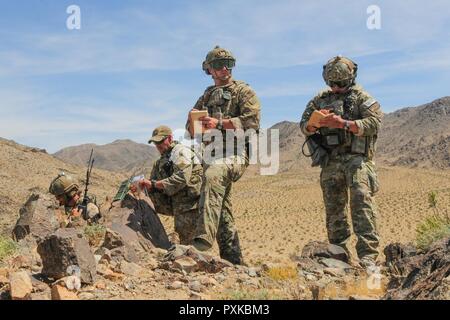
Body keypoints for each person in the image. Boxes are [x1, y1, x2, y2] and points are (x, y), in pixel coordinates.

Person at [299, 56, 382, 268]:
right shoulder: (319, 100)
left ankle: (368, 257)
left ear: (351, 79)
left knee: (362, 204)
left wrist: (343, 123)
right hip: (330, 160)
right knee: (334, 210)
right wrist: (314, 124)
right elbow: (304, 125)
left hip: (357, 160)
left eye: (341, 84)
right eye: (332, 84)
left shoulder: (362, 97)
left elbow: (374, 123)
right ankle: (338, 255)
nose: (336, 88)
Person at [185, 46, 261, 265]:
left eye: (229, 63)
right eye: (218, 65)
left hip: (235, 153)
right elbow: (190, 128)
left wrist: (219, 123)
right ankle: (234, 259)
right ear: (209, 69)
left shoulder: (243, 92)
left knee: (213, 177)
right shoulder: (206, 96)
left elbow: (252, 122)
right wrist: (196, 124)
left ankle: (202, 242)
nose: (225, 68)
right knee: (221, 204)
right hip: (211, 153)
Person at [136, 125, 203, 245]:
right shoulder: (161, 160)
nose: (158, 145)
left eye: (161, 141)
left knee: (188, 243)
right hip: (175, 202)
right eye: (155, 143)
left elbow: (182, 178)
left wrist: (154, 184)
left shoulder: (181, 152)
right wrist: (142, 186)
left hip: (189, 204)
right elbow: (153, 182)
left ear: (170, 138)